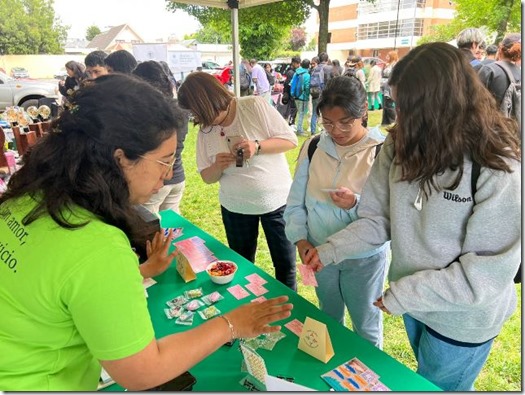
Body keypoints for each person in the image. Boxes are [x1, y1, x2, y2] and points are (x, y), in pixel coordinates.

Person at [0, 74, 293, 391]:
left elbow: (56, 284)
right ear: (120, 158)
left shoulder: (25, 200)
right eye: (164, 161)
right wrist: (232, 323)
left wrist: (139, 271)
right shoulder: (97, 245)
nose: (168, 177)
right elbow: (142, 372)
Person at [304, 42, 521, 391]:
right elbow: (379, 218)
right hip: (415, 304)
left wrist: (404, 294)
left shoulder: (496, 163)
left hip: (463, 319)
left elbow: (485, 273)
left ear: (445, 105)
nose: (399, 118)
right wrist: (330, 250)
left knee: (434, 387)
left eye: (409, 108)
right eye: (397, 105)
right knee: (422, 378)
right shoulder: (399, 143)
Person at [284, 75, 388, 349]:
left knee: (365, 324)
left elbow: (386, 215)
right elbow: (295, 201)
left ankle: (369, 380)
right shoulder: (315, 145)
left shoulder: (382, 151)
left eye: (345, 122)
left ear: (363, 111)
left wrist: (355, 202)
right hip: (319, 252)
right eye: (328, 123)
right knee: (328, 316)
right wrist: (301, 240)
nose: (336, 130)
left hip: (363, 258)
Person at [177, 72, 299, 290]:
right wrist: (217, 166)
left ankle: (289, 318)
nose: (197, 117)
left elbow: (290, 140)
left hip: (277, 202)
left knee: (286, 267)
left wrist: (257, 146)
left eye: (198, 110)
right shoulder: (206, 130)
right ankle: (248, 313)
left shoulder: (253, 105)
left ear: (209, 100)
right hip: (236, 207)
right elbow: (207, 177)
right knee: (242, 267)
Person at [132, 61, 188, 214]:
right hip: (177, 177)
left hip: (155, 182)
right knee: (173, 228)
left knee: (151, 228)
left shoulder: (146, 114)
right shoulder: (178, 109)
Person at [478, 33, 521, 113]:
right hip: (514, 123)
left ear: (500, 49)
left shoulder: (489, 70)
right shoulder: (520, 73)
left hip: (491, 122)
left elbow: (475, 100)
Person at [291, 58, 310, 136]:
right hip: (303, 97)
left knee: (299, 113)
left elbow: (291, 83)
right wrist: (307, 96)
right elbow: (307, 87)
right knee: (301, 114)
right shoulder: (307, 75)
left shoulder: (296, 73)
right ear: (308, 66)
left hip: (295, 96)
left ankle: (299, 128)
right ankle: (299, 130)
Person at [380, 50, 399, 126]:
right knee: (385, 105)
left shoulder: (395, 65)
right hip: (384, 86)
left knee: (389, 105)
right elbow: (382, 74)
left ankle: (392, 120)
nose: (386, 57)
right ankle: (385, 122)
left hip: (390, 87)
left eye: (388, 56)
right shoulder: (388, 65)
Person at [283, 56, 301, 130]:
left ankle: (292, 123)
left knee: (294, 108)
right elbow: (289, 84)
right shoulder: (291, 72)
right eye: (297, 63)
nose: (298, 65)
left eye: (299, 63)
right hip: (291, 93)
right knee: (293, 108)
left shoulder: (294, 71)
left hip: (292, 93)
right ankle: (291, 123)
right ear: (293, 63)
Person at [309, 56, 322, 135]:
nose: (312, 65)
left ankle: (313, 131)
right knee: (319, 112)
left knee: (314, 112)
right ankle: (320, 128)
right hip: (319, 93)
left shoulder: (311, 71)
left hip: (313, 93)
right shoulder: (320, 70)